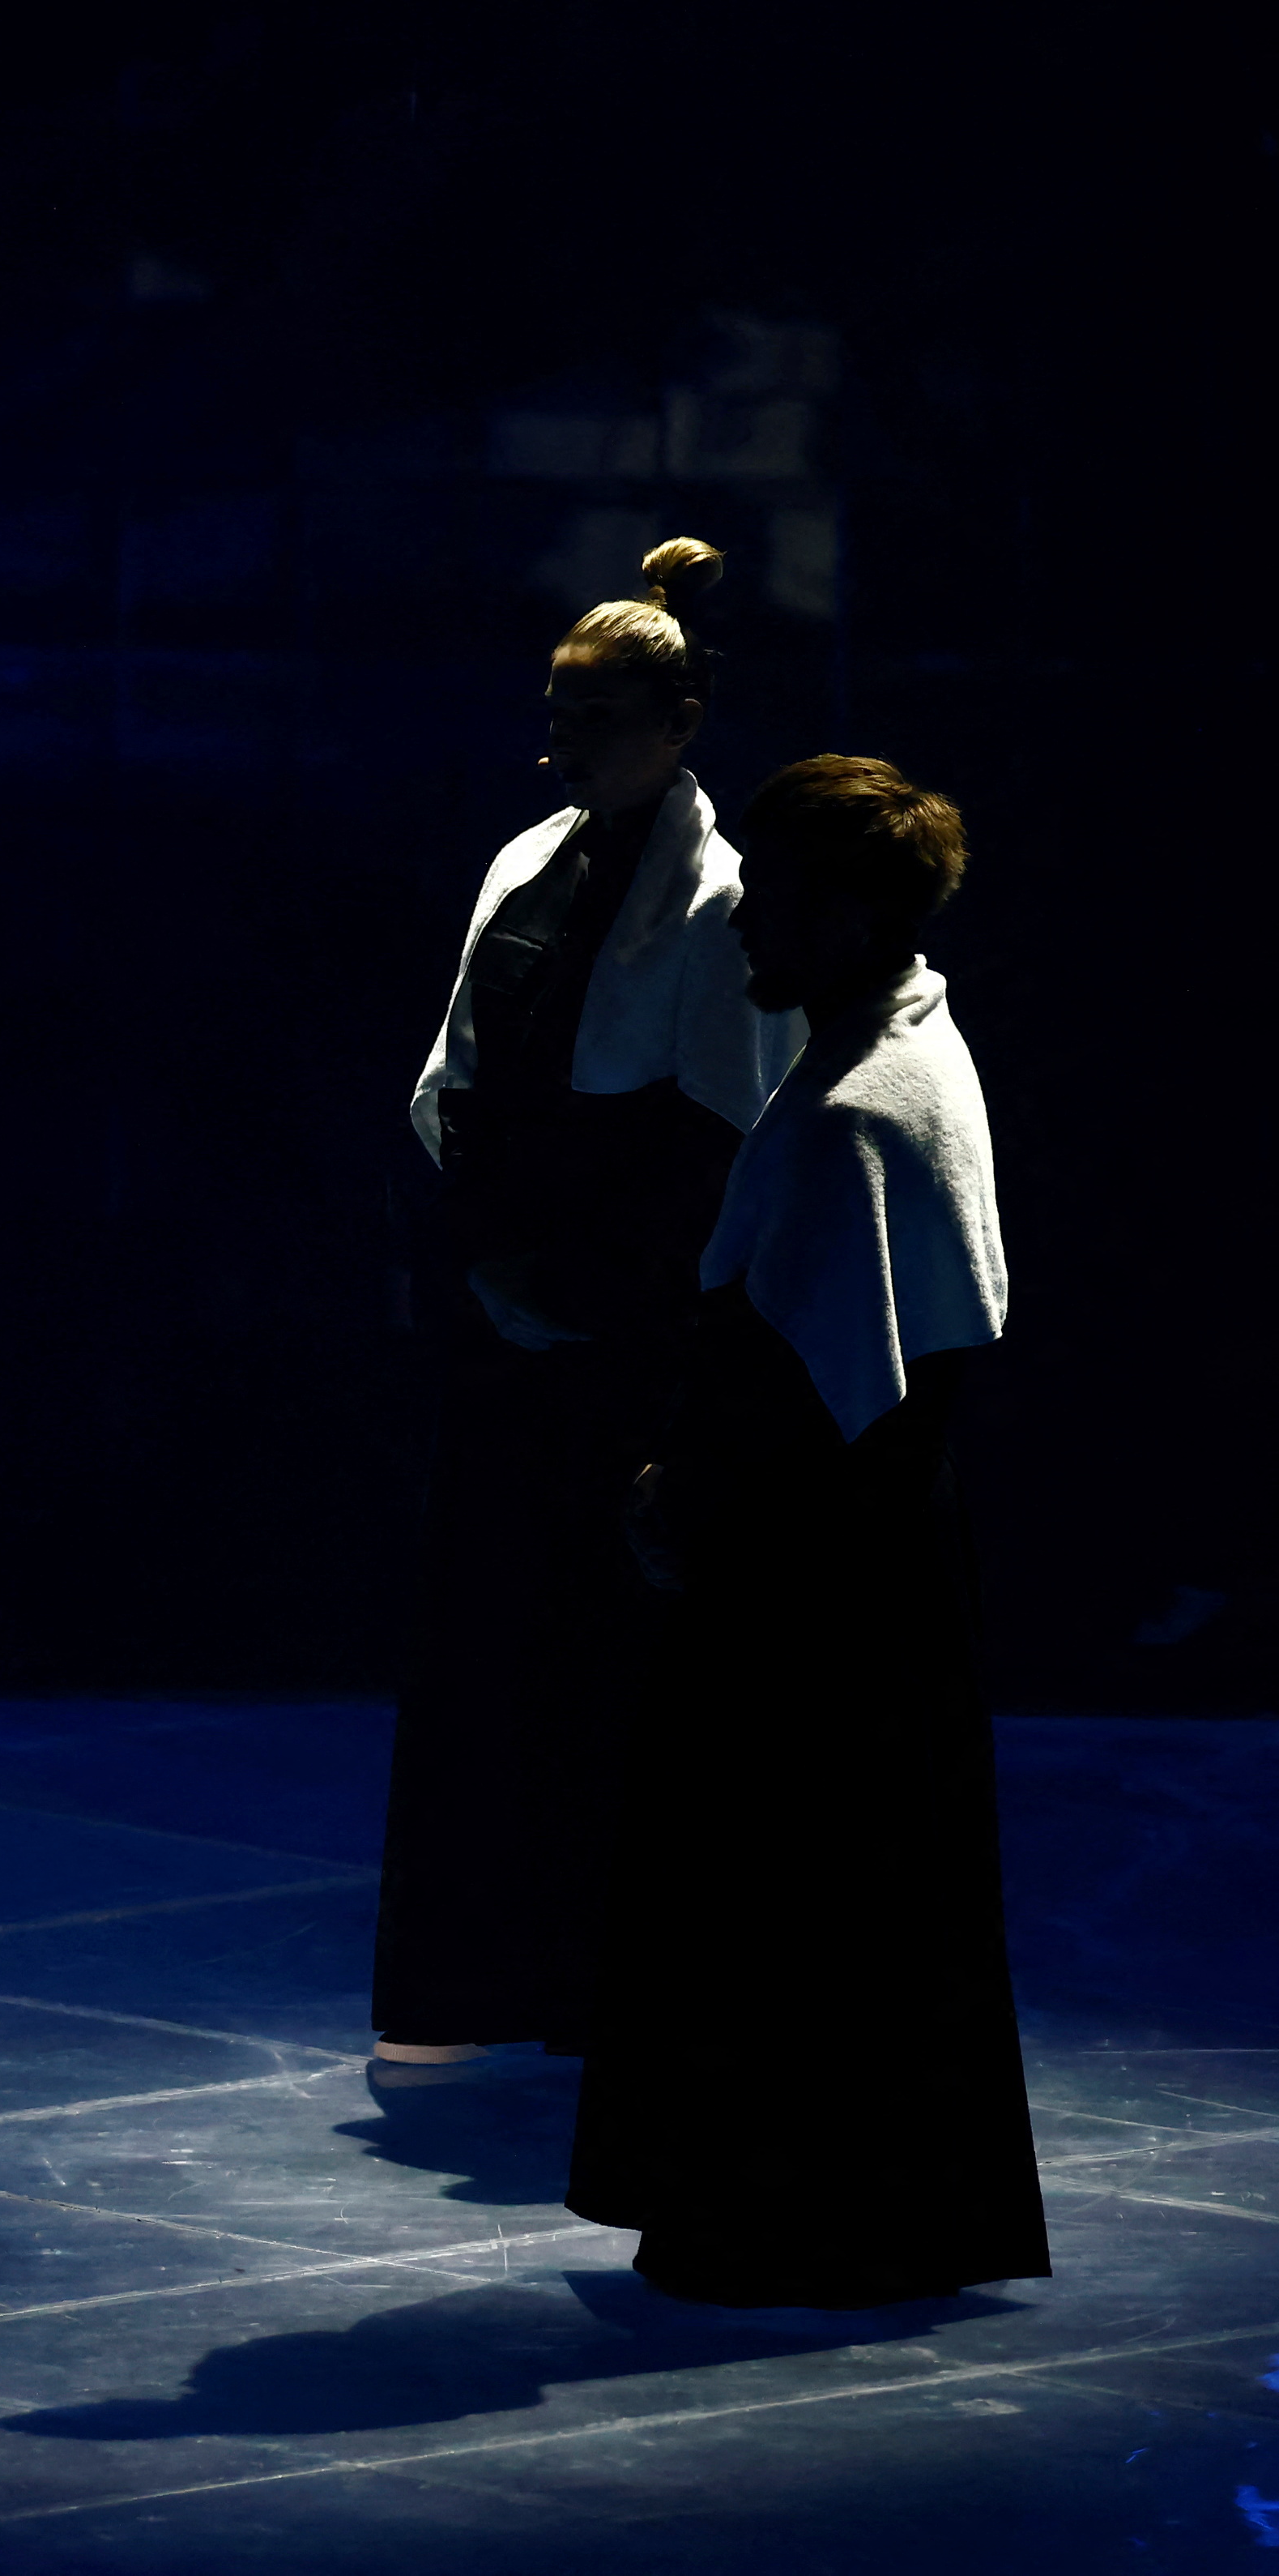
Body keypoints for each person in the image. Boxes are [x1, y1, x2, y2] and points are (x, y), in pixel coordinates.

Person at [568, 755, 1043, 2307]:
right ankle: (862, 2205)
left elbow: (805, 1371)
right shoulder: (909, 1036)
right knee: (856, 1883)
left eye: (773, 896)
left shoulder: (852, 1108)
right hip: (874, 1546)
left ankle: (793, 2210)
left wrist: (679, 1501)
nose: (744, 922)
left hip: (814, 1567)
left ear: (845, 913)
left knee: (780, 1883)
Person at [375, 540, 804, 2063]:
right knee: (486, 1642)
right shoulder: (526, 857)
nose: (562, 744)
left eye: (597, 717)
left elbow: (720, 1140)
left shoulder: (717, 904)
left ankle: (594, 1979)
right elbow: (459, 1082)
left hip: (623, 1327)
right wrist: (485, 1261)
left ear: (676, 724)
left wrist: (589, 1292)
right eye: (556, 711)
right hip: (507, 1303)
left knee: (597, 1658)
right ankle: (479, 1975)